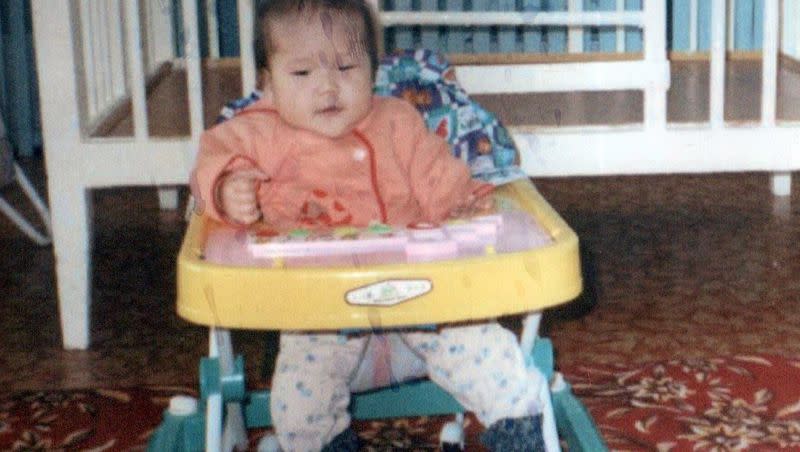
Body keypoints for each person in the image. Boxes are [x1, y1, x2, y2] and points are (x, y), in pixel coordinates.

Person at [192, 1, 547, 450]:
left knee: (478, 339)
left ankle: (517, 421)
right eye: (302, 74)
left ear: (373, 71)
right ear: (267, 83)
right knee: (302, 388)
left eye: (346, 67)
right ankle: (323, 441)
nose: (328, 87)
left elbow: (438, 176)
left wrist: (461, 207)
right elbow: (211, 162)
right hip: (319, 309)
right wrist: (227, 189)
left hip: (420, 296)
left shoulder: (397, 120)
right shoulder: (255, 133)